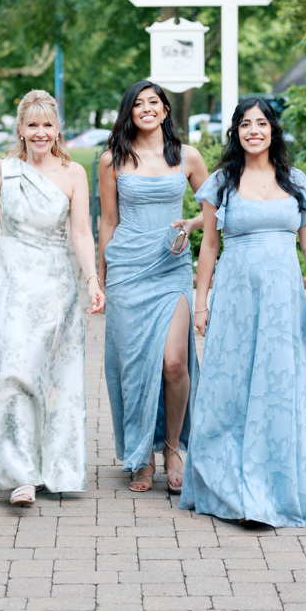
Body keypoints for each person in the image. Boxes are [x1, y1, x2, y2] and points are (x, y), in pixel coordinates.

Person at [180, 97, 306, 527]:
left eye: (262, 123)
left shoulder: (295, 181)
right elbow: (209, 245)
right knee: (232, 389)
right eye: (245, 124)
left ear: (273, 130)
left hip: (283, 300)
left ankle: (277, 482)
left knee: (279, 382)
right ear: (236, 132)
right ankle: (233, 485)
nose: (254, 130)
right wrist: (201, 302)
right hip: (236, 298)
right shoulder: (221, 183)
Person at [0, 89, 105, 506]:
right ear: (21, 129)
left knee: (53, 379)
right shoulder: (0, 170)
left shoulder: (73, 174)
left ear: (58, 129)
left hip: (54, 285)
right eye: (33, 124)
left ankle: (56, 467)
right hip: (6, 282)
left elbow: (82, 232)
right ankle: (19, 474)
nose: (41, 132)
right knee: (13, 370)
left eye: (48, 124)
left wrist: (92, 279)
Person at [99, 81, 208, 494]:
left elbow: (216, 208)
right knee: (132, 366)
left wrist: (193, 223)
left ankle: (173, 447)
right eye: (138, 103)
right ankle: (140, 456)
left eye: (154, 102)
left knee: (174, 361)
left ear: (165, 110)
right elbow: (107, 222)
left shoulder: (188, 157)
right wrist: (103, 279)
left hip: (171, 267)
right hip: (127, 269)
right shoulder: (113, 159)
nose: (147, 108)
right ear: (129, 112)